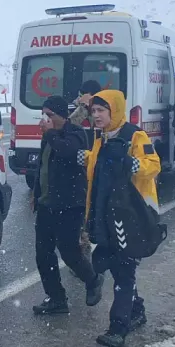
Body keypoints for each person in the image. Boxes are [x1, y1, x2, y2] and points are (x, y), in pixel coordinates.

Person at [80, 89, 161, 347]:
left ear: (114, 110)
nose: (96, 116)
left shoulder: (135, 135)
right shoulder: (100, 139)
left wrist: (134, 164)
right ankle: (136, 310)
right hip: (106, 214)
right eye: (93, 112)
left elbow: (153, 163)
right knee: (116, 267)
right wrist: (87, 158)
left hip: (130, 216)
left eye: (101, 111)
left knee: (124, 271)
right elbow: (102, 167)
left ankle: (118, 328)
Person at [31, 96, 104, 314]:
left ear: (63, 116)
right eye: (43, 114)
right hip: (47, 204)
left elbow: (67, 152)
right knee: (43, 254)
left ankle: (92, 279)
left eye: (50, 115)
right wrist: (37, 194)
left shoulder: (76, 133)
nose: (46, 119)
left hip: (69, 204)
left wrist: (51, 133)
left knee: (69, 251)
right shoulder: (49, 137)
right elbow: (43, 167)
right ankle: (56, 298)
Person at [69, 80, 102, 266]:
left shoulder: (101, 112)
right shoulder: (79, 110)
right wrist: (82, 106)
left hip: (97, 166)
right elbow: (70, 125)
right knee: (82, 213)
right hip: (81, 167)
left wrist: (92, 107)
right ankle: (83, 256)